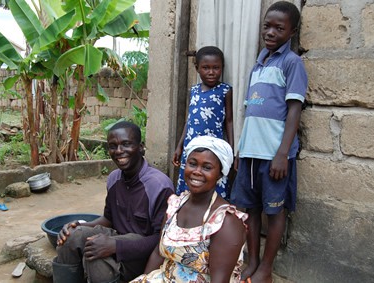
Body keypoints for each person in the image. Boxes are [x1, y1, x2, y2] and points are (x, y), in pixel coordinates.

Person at [230, 2, 308, 283]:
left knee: (274, 213)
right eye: (267, 25)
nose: (271, 32)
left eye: (279, 28)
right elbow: (250, 112)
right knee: (250, 209)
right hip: (251, 152)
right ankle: (251, 261)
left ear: (292, 32)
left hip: (274, 154)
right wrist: (241, 149)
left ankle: (266, 268)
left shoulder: (292, 63)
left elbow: (294, 110)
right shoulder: (258, 65)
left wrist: (282, 153)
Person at [52, 121, 175, 283]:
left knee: (95, 256)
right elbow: (108, 219)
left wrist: (115, 246)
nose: (119, 151)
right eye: (112, 146)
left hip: (143, 255)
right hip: (118, 239)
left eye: (126, 144)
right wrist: (79, 226)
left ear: (140, 147)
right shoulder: (114, 178)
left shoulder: (159, 185)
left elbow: (161, 241)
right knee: (71, 237)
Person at [131, 135, 247, 283]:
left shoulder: (225, 222)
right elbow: (158, 253)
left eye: (207, 167)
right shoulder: (175, 206)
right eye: (192, 164)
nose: (197, 171)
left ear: (220, 174)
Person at [172, 46, 234, 199]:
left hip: (214, 149)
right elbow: (189, 119)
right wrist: (180, 146)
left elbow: (229, 121)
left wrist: (230, 150)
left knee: (212, 182)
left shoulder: (225, 90)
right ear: (197, 68)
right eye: (206, 68)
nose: (211, 72)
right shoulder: (193, 91)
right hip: (191, 147)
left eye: (216, 68)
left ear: (222, 68)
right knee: (190, 183)